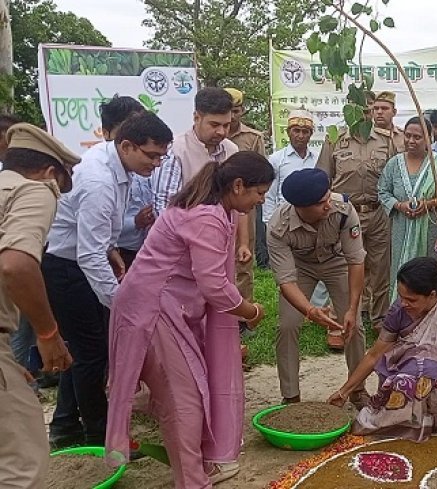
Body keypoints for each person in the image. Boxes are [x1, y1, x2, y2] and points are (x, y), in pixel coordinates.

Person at [105, 151, 271, 488]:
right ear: (238, 186)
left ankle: (152, 408)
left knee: (185, 393)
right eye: (259, 192)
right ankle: (193, 481)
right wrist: (250, 311)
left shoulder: (218, 209)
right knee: (186, 404)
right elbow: (213, 286)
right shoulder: (206, 216)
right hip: (154, 311)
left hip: (168, 310)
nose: (260, 200)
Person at [44, 112, 173, 449]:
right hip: (67, 269)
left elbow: (97, 236)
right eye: (151, 155)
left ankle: (66, 426)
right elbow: (87, 254)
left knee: (86, 351)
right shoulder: (99, 179)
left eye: (162, 156)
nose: (157, 163)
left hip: (83, 261)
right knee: (92, 355)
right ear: (127, 145)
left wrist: (111, 249)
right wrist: (121, 303)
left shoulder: (117, 163)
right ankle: (100, 437)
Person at [328, 257, 437, 442]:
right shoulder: (399, 311)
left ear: (432, 295)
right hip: (409, 374)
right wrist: (344, 392)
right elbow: (374, 355)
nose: (403, 303)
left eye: (411, 299)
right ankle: (409, 421)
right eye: (401, 297)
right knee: (407, 378)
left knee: (431, 374)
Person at [0, 123, 78, 489]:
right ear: (51, 173)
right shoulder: (33, 190)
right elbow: (15, 264)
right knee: (22, 464)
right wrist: (48, 333)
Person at [267, 168, 368, 404]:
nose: (328, 205)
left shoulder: (343, 209)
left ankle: (357, 389)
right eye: (321, 203)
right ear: (301, 207)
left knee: (354, 325)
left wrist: (352, 308)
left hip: (336, 262)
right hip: (300, 268)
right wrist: (310, 311)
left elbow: (356, 261)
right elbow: (286, 281)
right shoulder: (277, 227)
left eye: (328, 197)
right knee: (287, 325)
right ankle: (290, 396)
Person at [316, 103, 397, 333]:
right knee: (343, 266)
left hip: (378, 211)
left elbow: (393, 177)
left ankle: (379, 319)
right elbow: (323, 177)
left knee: (380, 268)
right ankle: (339, 320)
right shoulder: (335, 139)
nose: (363, 116)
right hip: (344, 213)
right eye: (358, 111)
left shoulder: (386, 141)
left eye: (367, 111)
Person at [378, 116, 437, 301]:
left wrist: (429, 204)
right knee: (402, 269)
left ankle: (433, 313)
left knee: (430, 270)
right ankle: (401, 314)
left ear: (428, 139)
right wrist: (399, 205)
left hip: (430, 229)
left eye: (417, 137)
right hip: (401, 228)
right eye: (408, 135)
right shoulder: (394, 164)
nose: (411, 141)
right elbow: (383, 191)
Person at [264, 109, 330, 309]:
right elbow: (269, 194)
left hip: (313, 219)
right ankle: (293, 305)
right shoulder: (276, 159)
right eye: (296, 131)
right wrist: (269, 223)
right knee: (288, 267)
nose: (300, 136)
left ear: (311, 134)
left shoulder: (318, 158)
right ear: (288, 132)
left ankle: (317, 308)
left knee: (315, 261)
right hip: (285, 222)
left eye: (305, 131)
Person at [95, 96, 151, 269]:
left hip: (147, 252)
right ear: (105, 133)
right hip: (119, 254)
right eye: (126, 131)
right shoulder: (100, 176)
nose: (133, 138)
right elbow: (98, 234)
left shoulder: (145, 164)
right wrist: (135, 222)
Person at [225, 87, 267, 309]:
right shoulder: (213, 137)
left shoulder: (253, 137)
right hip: (218, 204)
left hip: (244, 206)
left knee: (244, 254)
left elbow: (261, 172)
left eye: (237, 110)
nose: (232, 116)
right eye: (229, 110)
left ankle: (244, 310)